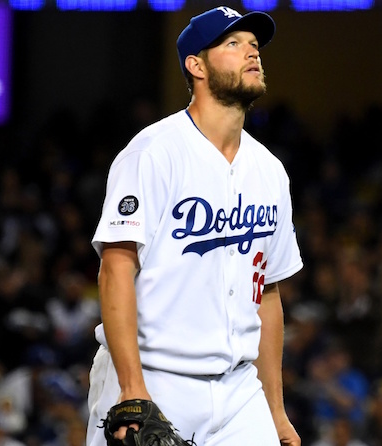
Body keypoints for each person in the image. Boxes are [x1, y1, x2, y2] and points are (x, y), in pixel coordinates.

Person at [85, 6, 303, 446]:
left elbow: (269, 293)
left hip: (240, 390)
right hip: (156, 377)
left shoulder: (270, 170)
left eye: (255, 45)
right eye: (233, 44)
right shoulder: (153, 152)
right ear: (196, 65)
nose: (252, 53)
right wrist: (132, 390)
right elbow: (116, 269)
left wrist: (275, 411)